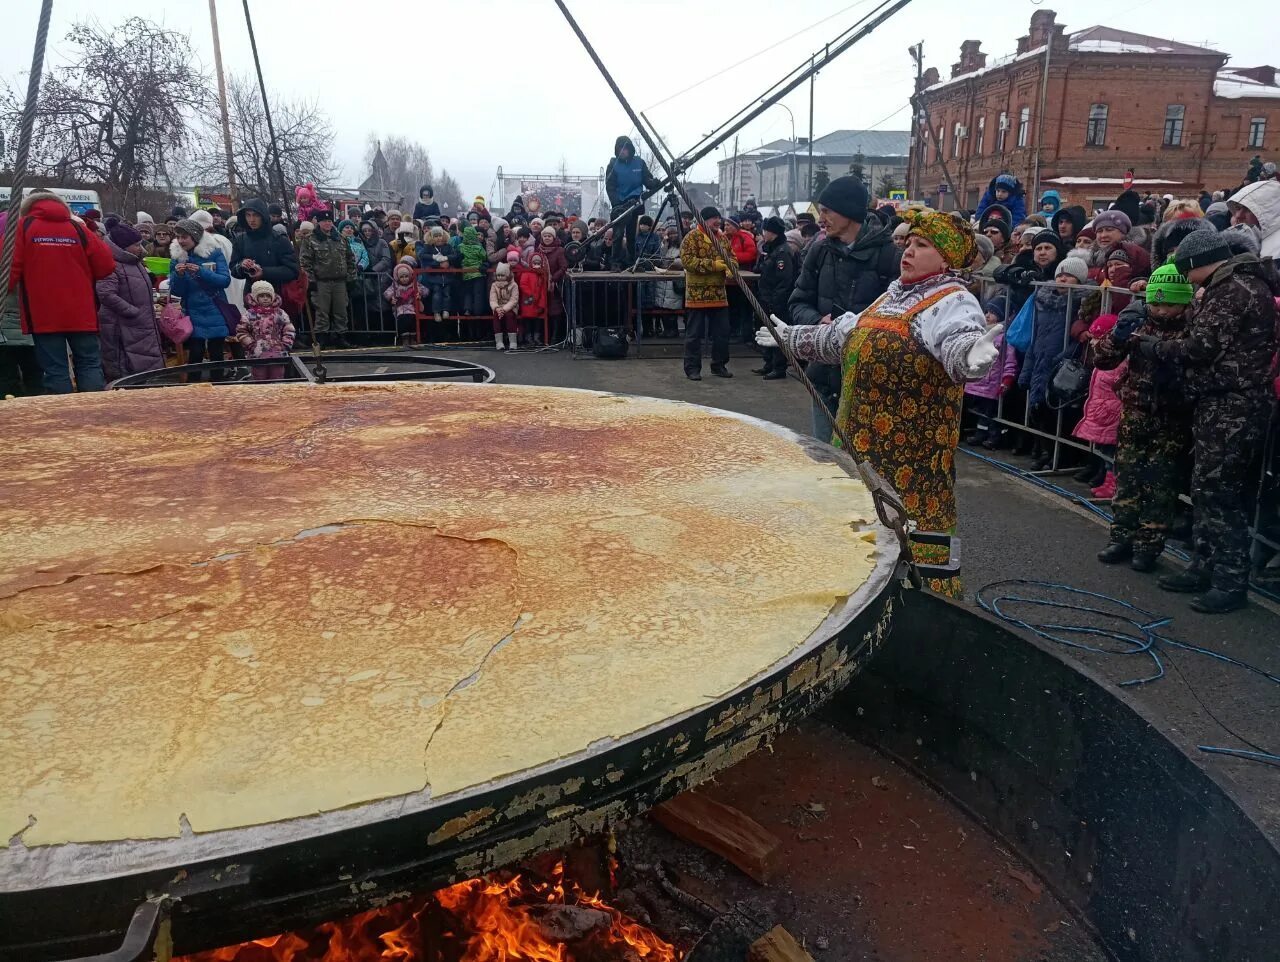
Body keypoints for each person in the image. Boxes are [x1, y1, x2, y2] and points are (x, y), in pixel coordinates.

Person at [759, 208, 1001, 594]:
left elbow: (958, 341)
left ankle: (921, 615)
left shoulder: (952, 301)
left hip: (912, 460)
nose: (908, 251)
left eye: (922, 245)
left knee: (911, 548)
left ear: (947, 258)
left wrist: (970, 358)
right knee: (862, 540)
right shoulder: (892, 297)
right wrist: (790, 337)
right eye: (908, 243)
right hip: (860, 451)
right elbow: (840, 338)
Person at [1136, 231, 1279, 612]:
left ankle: (1229, 581)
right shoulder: (1234, 286)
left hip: (1235, 404)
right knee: (1206, 488)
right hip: (1220, 400)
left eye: (1186, 272)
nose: (1187, 281)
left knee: (1221, 492)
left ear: (1198, 264)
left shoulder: (1234, 290)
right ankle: (1204, 565)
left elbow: (1202, 347)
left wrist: (1155, 348)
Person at [1093, 264, 1195, 572]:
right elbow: (1103, 359)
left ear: (1184, 303)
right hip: (1135, 411)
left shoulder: (1193, 328)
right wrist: (1118, 335)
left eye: (1169, 304)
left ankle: (1149, 544)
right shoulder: (1139, 322)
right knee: (1128, 478)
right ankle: (1120, 536)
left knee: (1160, 483)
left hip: (1171, 417)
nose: (1161, 311)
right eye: (1156, 303)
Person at [788, 176, 900, 439]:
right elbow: (797, 301)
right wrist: (818, 321)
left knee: (862, 467)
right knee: (826, 463)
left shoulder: (890, 257)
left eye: (826, 211)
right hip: (824, 377)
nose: (821, 218)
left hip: (869, 383)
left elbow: (899, 318)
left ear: (848, 211)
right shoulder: (819, 251)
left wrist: (859, 329)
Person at [7, 189, 115, 393]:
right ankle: (95, 415)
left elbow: (8, 271)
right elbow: (106, 265)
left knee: (55, 370)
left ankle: (66, 420)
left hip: (43, 314)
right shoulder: (77, 227)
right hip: (82, 313)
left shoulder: (23, 227)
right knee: (89, 364)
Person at [97, 220, 163, 382]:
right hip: (123, 328)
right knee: (127, 371)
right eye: (136, 245)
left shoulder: (133, 261)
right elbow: (105, 293)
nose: (140, 249)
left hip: (140, 325)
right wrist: (132, 311)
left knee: (143, 368)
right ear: (123, 246)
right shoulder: (112, 265)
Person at [168, 218, 232, 379]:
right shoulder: (177, 258)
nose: (181, 241)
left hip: (215, 308)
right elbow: (178, 291)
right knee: (195, 353)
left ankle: (219, 386)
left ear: (195, 237)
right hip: (193, 311)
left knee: (216, 352)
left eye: (184, 237)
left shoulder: (214, 252)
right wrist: (179, 275)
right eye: (178, 237)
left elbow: (224, 280)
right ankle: (193, 388)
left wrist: (202, 272)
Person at [680, 206, 735, 381]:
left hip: (719, 295)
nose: (717, 221)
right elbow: (687, 261)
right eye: (712, 218)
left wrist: (731, 269)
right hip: (697, 296)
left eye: (718, 218)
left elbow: (732, 258)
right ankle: (692, 368)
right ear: (702, 220)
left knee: (722, 333)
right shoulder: (691, 237)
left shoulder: (723, 238)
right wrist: (714, 265)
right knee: (694, 335)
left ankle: (719, 365)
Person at [963, 295, 1019, 448]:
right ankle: (980, 433)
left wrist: (1007, 378)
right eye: (986, 311)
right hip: (978, 380)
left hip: (992, 382)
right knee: (980, 411)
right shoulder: (980, 332)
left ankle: (994, 437)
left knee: (992, 413)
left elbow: (1010, 360)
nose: (987, 315)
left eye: (992, 312)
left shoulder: (1004, 337)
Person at [300, 210, 357, 348]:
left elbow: (350, 259)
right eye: (324, 221)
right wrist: (311, 281)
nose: (327, 223)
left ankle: (341, 337)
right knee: (322, 312)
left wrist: (351, 277)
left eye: (330, 221)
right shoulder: (310, 240)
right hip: (321, 282)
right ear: (318, 222)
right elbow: (305, 262)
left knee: (341, 311)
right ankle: (322, 339)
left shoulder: (340, 239)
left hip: (340, 281)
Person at [605, 135, 661, 269]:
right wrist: (616, 203)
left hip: (634, 202)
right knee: (618, 235)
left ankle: (631, 262)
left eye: (625, 149)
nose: (622, 151)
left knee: (631, 235)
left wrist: (654, 183)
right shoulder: (613, 164)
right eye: (620, 149)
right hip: (620, 204)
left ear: (630, 149)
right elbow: (610, 186)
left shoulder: (639, 163)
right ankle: (615, 262)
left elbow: (647, 180)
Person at [752, 215, 797, 380]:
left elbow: (785, 279)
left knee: (777, 333)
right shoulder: (770, 249)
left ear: (773, 232)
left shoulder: (783, 251)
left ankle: (779, 367)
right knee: (766, 330)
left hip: (777, 300)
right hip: (766, 297)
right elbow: (760, 269)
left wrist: (776, 301)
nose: (763, 233)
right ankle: (768, 363)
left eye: (766, 230)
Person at [230, 199, 299, 297]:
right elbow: (233, 269)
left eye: (256, 215)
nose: (252, 219)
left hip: (278, 297)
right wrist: (242, 266)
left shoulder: (279, 239)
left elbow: (293, 270)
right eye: (248, 215)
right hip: (252, 297)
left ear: (263, 216)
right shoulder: (241, 240)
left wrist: (264, 272)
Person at [236, 280, 295, 380]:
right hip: (257, 353)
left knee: (278, 377)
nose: (265, 298)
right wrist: (251, 345)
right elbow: (242, 331)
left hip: (278, 352)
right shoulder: (249, 314)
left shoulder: (280, 313)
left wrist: (285, 344)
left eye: (268, 296)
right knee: (260, 378)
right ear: (255, 297)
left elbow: (288, 329)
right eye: (262, 296)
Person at [1226, 180, 1280, 258]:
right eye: (1237, 208)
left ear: (1269, 212)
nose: (1238, 215)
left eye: (1248, 209)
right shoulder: (1236, 243)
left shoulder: (1275, 253)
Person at [416, 226, 459, 323]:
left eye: (440, 235)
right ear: (431, 238)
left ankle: (446, 310)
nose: (438, 238)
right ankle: (436, 312)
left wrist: (446, 258)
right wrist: (435, 259)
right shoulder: (428, 247)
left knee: (447, 294)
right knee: (436, 294)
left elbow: (454, 256)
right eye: (435, 236)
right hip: (435, 277)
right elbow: (421, 256)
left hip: (447, 277)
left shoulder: (448, 246)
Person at [383, 260, 429, 346]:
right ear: (398, 277)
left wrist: (419, 294)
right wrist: (391, 298)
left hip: (412, 307)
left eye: (406, 276)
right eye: (402, 277)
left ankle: (413, 337)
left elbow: (426, 290)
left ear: (410, 276)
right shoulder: (395, 285)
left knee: (413, 320)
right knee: (402, 321)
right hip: (400, 307)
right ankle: (405, 338)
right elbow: (387, 293)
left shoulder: (414, 284)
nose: (404, 279)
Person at [458, 225, 489, 317]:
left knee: (468, 293)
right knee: (478, 293)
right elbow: (484, 256)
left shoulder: (460, 246)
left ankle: (467, 309)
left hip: (466, 273)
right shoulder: (478, 247)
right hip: (478, 273)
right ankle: (477, 312)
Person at [489, 261, 520, 351]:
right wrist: (497, 308)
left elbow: (514, 300)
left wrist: (504, 309)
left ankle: (513, 342)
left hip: (510, 307)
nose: (500, 277)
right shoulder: (494, 285)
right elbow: (492, 299)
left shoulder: (514, 285)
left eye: (502, 275)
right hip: (498, 307)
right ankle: (499, 342)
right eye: (498, 275)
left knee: (510, 316)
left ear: (507, 275)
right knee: (496, 316)